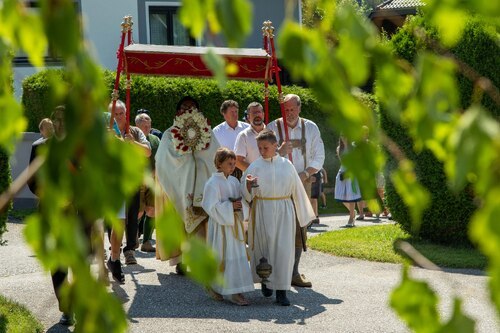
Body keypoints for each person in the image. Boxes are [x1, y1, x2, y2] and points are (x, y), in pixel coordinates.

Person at [242, 130, 315, 306]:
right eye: (259, 147)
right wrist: (248, 186)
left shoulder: (287, 165)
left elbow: (297, 190)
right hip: (262, 210)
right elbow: (244, 193)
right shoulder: (255, 166)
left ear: (276, 146)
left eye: (265, 147)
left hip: (284, 210)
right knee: (264, 248)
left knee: (284, 250)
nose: (262, 151)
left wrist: (303, 215)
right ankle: (266, 281)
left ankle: (282, 291)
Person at [155, 96, 220, 274]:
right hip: (178, 184)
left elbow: (215, 156)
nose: (188, 110)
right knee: (178, 222)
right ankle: (181, 259)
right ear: (178, 112)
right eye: (184, 107)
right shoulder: (169, 133)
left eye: (192, 107)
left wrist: (199, 160)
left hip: (203, 184)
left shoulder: (208, 132)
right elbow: (163, 160)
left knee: (203, 221)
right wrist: (187, 164)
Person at [267, 93, 325, 288]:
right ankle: (276, 271)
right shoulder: (273, 127)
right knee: (278, 224)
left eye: (292, 109)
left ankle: (293, 272)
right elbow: (264, 152)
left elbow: (320, 156)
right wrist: (278, 152)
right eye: (286, 110)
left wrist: (306, 174)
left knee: (300, 226)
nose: (289, 113)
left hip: (303, 182)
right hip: (278, 182)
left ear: (299, 108)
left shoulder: (310, 127)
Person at [28, 106, 79, 326]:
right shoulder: (39, 147)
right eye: (56, 119)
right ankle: (66, 307)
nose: (60, 124)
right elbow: (32, 181)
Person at [201, 148, 254, 305]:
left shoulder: (234, 181)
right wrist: (229, 207)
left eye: (233, 164)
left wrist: (245, 194)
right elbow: (209, 206)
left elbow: (242, 201)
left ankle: (235, 290)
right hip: (220, 227)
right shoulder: (212, 183)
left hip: (234, 225)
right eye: (229, 164)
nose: (232, 167)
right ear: (219, 163)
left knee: (236, 257)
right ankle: (216, 286)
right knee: (222, 256)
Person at [107, 100, 151, 282]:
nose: (118, 117)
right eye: (114, 114)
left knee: (131, 219)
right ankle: (114, 257)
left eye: (120, 113)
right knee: (116, 223)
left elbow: (147, 151)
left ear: (126, 113)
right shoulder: (105, 130)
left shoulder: (135, 131)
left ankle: (120, 254)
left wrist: (132, 143)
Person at [135, 112, 161, 252]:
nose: (147, 127)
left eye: (149, 125)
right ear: (137, 126)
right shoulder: (131, 139)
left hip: (153, 181)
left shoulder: (155, 140)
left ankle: (146, 241)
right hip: (136, 182)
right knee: (137, 212)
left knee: (152, 210)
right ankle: (132, 240)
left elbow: (161, 157)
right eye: (144, 125)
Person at [212, 100, 249, 179]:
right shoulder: (217, 131)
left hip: (245, 170)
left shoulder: (247, 128)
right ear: (224, 114)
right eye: (232, 112)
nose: (235, 114)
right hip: (226, 172)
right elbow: (215, 153)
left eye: (236, 111)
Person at [334, 135, 362, 227]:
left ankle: (351, 218)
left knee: (351, 196)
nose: (344, 137)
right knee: (340, 195)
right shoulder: (339, 149)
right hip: (342, 172)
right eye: (342, 136)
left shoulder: (353, 148)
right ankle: (352, 211)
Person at [234, 102, 266, 171]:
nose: (257, 115)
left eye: (259, 112)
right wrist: (255, 172)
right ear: (248, 117)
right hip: (252, 179)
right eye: (254, 113)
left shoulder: (272, 132)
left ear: (263, 114)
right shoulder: (243, 136)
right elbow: (238, 161)